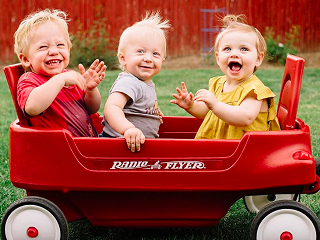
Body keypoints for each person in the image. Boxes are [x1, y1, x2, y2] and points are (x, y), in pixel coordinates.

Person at [171, 14, 280, 139]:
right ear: (218, 58)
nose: (234, 54)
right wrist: (192, 106)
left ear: (258, 59)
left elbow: (245, 117)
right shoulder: (218, 84)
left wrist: (216, 105)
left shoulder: (255, 90)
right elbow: (207, 112)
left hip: (244, 152)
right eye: (227, 49)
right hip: (221, 149)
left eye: (243, 49)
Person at [15, 9, 107, 137]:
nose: (53, 51)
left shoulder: (69, 77)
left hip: (85, 145)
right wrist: (60, 80)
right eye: (43, 47)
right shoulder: (29, 80)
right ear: (25, 59)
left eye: (60, 45)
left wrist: (90, 90)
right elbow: (32, 107)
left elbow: (92, 109)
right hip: (59, 150)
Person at [101, 12, 170, 152]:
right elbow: (111, 108)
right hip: (117, 146)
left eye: (155, 54)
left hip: (135, 148)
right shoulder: (129, 82)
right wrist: (128, 129)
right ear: (123, 58)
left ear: (162, 60)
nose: (149, 58)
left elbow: (137, 106)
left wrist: (152, 113)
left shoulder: (145, 82)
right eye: (140, 51)